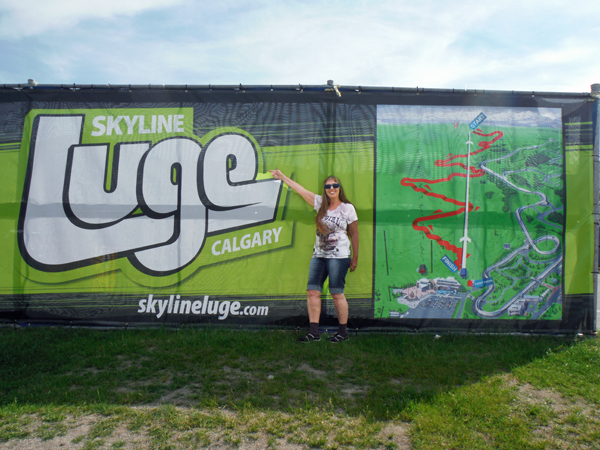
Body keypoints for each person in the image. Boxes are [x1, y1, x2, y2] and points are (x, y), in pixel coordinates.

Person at [269, 169, 358, 343]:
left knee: (337, 293)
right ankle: (314, 332)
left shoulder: (347, 208)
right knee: (312, 292)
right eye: (328, 186)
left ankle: (342, 332)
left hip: (339, 256)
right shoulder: (320, 204)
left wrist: (355, 258)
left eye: (335, 185)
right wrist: (282, 176)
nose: (332, 188)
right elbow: (300, 190)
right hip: (319, 255)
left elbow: (354, 234)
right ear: (325, 189)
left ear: (340, 188)